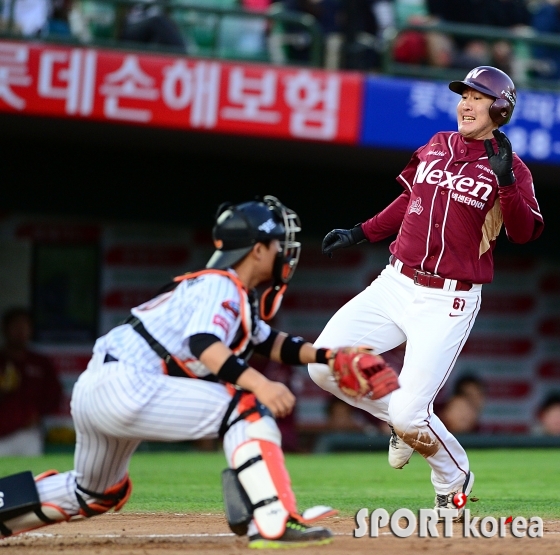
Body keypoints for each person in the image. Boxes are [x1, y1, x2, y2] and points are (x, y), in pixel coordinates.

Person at [0, 196, 353, 548]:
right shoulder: (221, 284)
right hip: (129, 384)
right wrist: (260, 384)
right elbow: (203, 342)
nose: (284, 252)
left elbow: (275, 343)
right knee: (245, 408)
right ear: (256, 250)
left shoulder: (221, 290)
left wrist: (331, 357)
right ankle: (272, 519)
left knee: (93, 491)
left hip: (96, 388)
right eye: (277, 243)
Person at [308, 66, 544, 522]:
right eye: (464, 95)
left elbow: (525, 231)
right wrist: (359, 232)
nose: (466, 103)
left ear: (499, 108)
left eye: (478, 97)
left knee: (410, 416)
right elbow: (408, 200)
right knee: (324, 364)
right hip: (396, 282)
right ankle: (401, 416)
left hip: (447, 300)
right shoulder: (437, 144)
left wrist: (508, 185)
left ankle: (451, 478)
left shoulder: (512, 167)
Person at [0, 307, 63, 456]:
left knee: (29, 475)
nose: (20, 331)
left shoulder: (40, 362)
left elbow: (54, 394)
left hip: (27, 432)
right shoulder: (1, 360)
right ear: (5, 329)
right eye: (15, 326)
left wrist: (38, 414)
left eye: (25, 326)